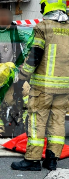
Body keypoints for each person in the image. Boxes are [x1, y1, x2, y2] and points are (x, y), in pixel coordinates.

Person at [11, 0, 69, 171]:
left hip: (43, 87)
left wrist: (22, 78)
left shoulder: (42, 28)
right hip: (64, 87)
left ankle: (33, 161)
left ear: (47, 6)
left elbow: (35, 56)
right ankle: (52, 160)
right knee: (58, 122)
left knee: (37, 121)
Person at [0, 8, 30, 136]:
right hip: (1, 74)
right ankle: (1, 128)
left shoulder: (15, 31)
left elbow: (27, 44)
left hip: (14, 72)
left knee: (25, 94)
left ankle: (23, 125)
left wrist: (23, 65)